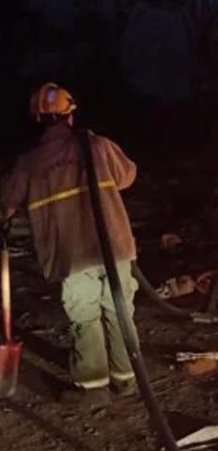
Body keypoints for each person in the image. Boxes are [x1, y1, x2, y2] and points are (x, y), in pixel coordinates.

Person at [0, 83, 139, 401]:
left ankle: (93, 387)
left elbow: (6, 201)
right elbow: (128, 175)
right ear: (70, 115)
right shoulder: (98, 145)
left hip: (71, 254)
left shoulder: (30, 163)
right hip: (114, 247)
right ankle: (127, 379)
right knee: (120, 311)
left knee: (85, 317)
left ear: (37, 121)